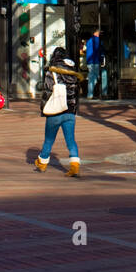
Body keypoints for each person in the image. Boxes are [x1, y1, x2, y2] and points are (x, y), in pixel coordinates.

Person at [35, 45, 86, 175]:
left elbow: (47, 91)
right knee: (71, 140)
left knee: (49, 139)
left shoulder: (51, 72)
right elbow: (75, 94)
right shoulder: (73, 73)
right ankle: (74, 166)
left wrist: (43, 109)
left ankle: (42, 163)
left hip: (55, 111)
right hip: (69, 112)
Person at [84, 26, 106, 99]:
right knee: (96, 77)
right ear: (97, 32)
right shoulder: (99, 41)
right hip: (96, 61)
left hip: (90, 62)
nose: (100, 34)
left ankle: (90, 94)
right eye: (100, 33)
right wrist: (102, 60)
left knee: (91, 77)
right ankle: (97, 92)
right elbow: (101, 52)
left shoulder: (89, 41)